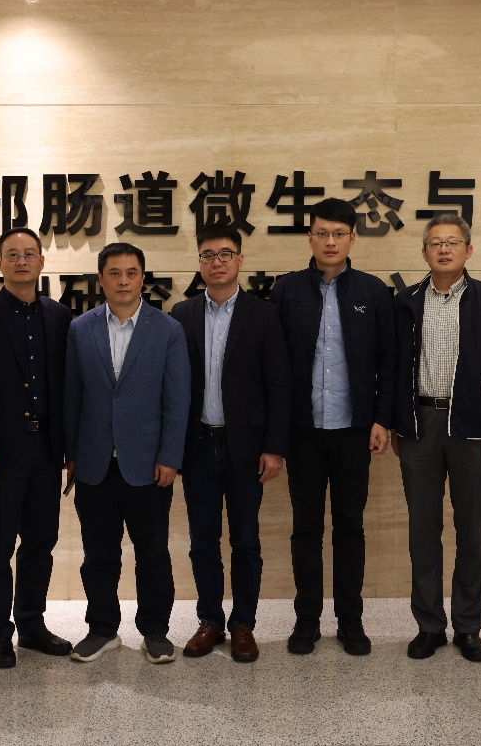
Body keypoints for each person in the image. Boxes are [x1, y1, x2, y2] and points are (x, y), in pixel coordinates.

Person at [394, 213, 481, 663]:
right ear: (424, 252)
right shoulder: (406, 301)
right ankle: (429, 625)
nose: (443, 249)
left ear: (469, 250)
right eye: (435, 243)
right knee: (422, 531)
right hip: (420, 426)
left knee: (471, 530)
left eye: (452, 242)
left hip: (472, 428)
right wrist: (397, 423)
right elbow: (392, 369)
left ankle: (468, 626)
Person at [270, 197, 396, 657]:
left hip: (353, 430)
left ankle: (350, 621)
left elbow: (390, 362)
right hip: (302, 431)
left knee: (350, 527)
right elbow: (274, 366)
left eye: (338, 234)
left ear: (352, 239)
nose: (330, 241)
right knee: (305, 527)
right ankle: (306, 620)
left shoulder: (372, 291)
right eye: (322, 233)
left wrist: (382, 419)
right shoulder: (286, 290)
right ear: (310, 237)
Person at [63, 242, 192, 664]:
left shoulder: (167, 329)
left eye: (131, 272)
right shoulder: (80, 328)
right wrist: (70, 455)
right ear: (101, 279)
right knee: (98, 555)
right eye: (114, 273)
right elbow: (72, 397)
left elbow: (177, 400)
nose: (123, 281)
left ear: (142, 278)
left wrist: (171, 456)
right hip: (94, 463)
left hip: (149, 463)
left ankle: (155, 630)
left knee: (152, 552)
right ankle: (102, 629)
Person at [170, 222, 290, 663]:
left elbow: (279, 385)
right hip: (198, 446)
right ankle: (209, 621)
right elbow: (172, 386)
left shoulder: (264, 314)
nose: (216, 262)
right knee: (202, 540)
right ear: (199, 263)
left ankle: (243, 624)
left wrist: (275, 446)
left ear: (240, 259)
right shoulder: (182, 314)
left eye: (225, 254)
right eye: (208, 255)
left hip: (247, 447)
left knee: (246, 541)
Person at [0, 227, 73, 669]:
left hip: (47, 450)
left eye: (29, 254)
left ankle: (31, 625)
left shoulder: (60, 316)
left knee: (41, 541)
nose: (21, 261)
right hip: (0, 454)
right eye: (12, 254)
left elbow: (68, 387)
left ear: (42, 262)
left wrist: (69, 448)